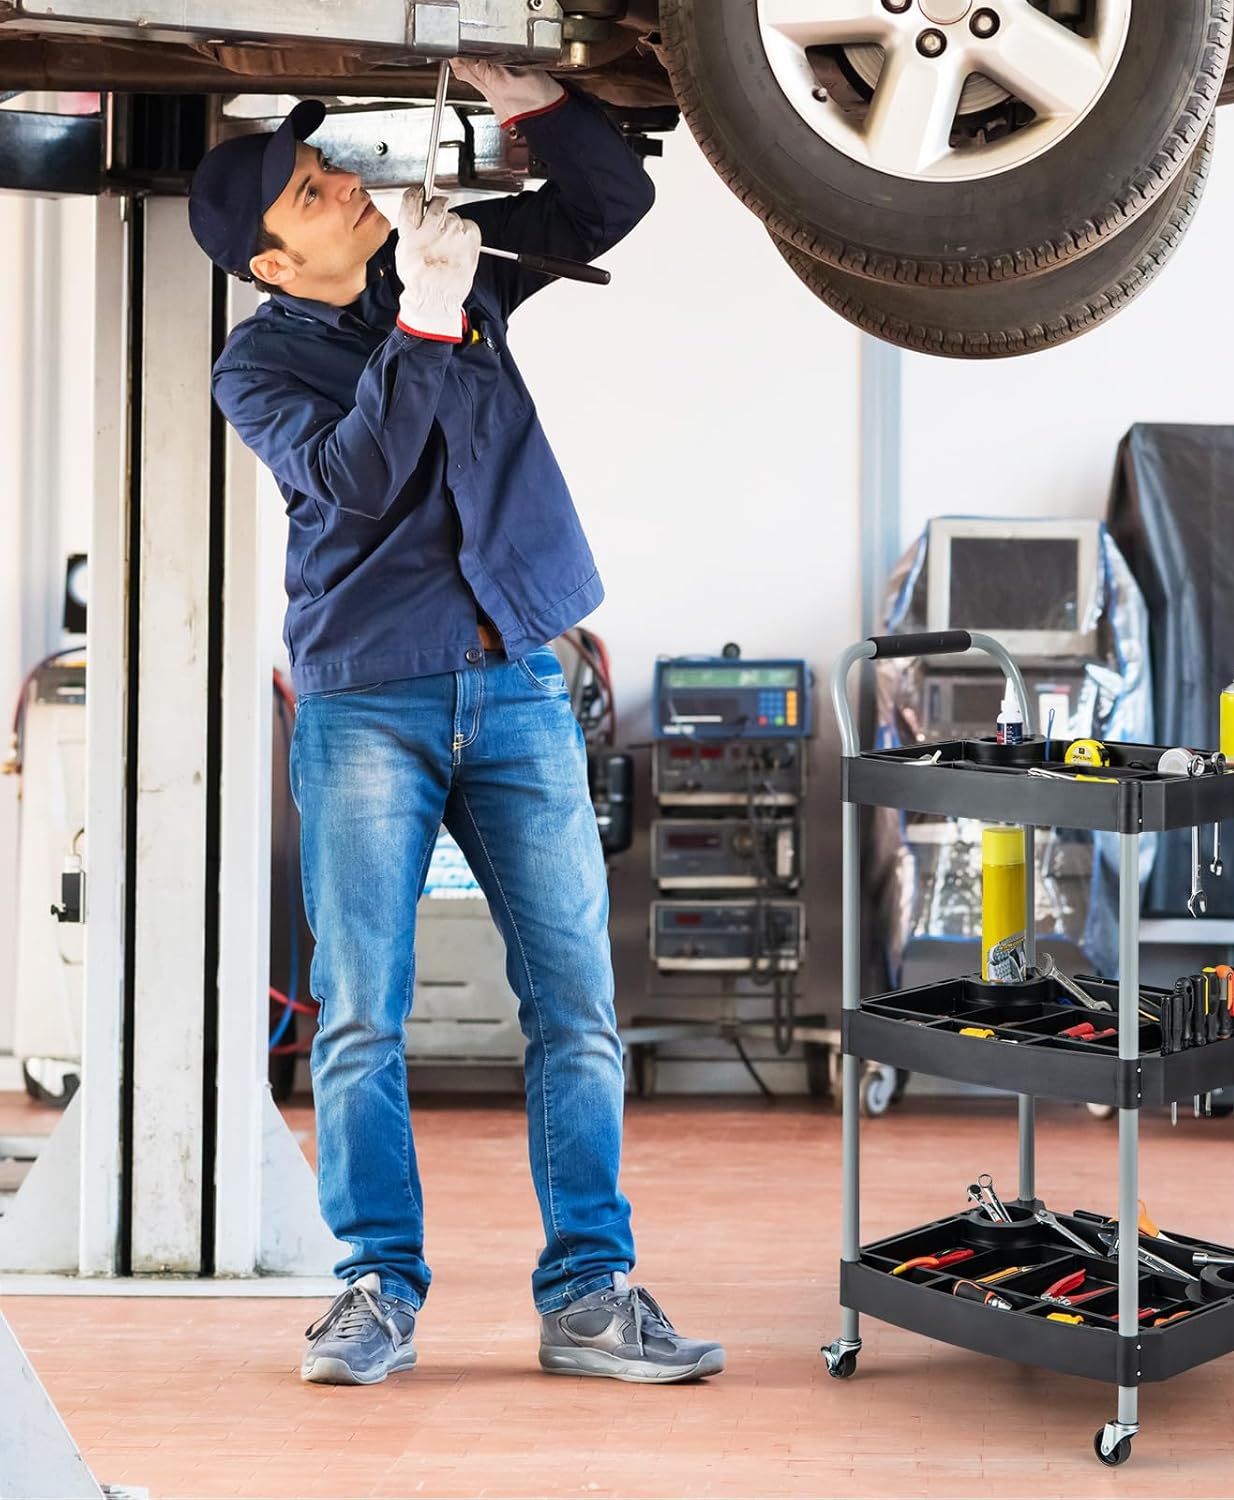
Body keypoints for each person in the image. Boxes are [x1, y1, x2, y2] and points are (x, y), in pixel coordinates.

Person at [187, 58, 723, 1388]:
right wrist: (425, 322)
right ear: (268, 257)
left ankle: (591, 1296)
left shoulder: (456, 272)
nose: (351, 191)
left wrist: (534, 102)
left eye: (336, 170)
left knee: (579, 1008)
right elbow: (357, 479)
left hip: (523, 677)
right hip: (373, 700)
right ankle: (375, 1289)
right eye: (317, 192)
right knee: (363, 1014)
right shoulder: (255, 369)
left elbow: (609, 201)